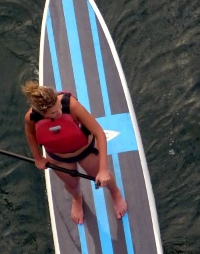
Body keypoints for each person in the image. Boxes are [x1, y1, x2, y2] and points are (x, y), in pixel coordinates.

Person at [22, 82, 127, 223]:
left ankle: (115, 193)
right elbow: (30, 134)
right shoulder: (31, 117)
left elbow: (99, 133)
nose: (59, 112)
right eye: (53, 112)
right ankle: (77, 199)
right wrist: (37, 157)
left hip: (85, 151)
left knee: (102, 177)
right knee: (72, 184)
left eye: (59, 108)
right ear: (42, 113)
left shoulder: (71, 105)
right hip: (58, 157)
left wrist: (103, 170)